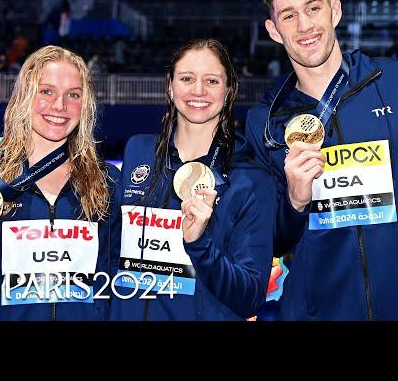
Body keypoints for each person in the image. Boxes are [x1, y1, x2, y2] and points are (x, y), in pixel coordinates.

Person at [244, 0, 398, 320]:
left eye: (313, 8)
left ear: (334, 10)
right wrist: (294, 200)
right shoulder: (265, 123)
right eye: (288, 16)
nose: (304, 25)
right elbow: (271, 239)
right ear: (273, 30)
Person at [0, 45, 122, 320]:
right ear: (25, 95)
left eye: (73, 95)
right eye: (46, 91)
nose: (59, 106)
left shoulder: (107, 182)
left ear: (85, 106)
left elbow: (117, 280)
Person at [109, 39, 275, 321]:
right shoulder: (139, 151)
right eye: (187, 78)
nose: (198, 90)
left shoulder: (251, 179)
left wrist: (200, 244)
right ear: (170, 86)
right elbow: (115, 252)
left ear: (229, 90)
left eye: (211, 80)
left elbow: (249, 297)